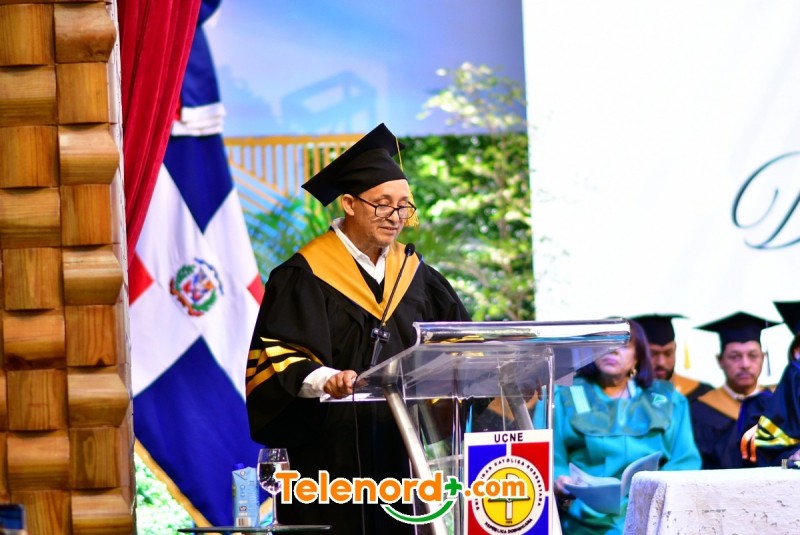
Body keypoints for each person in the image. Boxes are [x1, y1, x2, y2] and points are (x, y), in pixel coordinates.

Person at [244, 124, 470, 534]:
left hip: (403, 451)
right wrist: (327, 379)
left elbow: (456, 342)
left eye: (404, 207)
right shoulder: (304, 274)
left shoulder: (416, 274)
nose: (396, 217)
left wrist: (497, 380)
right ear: (348, 203)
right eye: (383, 205)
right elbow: (276, 355)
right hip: (327, 463)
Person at [535, 319, 701, 535]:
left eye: (623, 345)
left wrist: (656, 493)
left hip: (651, 518)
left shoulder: (666, 400)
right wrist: (560, 480)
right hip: (583, 520)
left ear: (638, 357)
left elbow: (684, 460)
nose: (612, 351)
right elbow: (547, 456)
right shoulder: (564, 397)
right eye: (603, 345)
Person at [690, 311, 776, 469]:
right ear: (720, 360)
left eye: (753, 355)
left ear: (763, 358)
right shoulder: (700, 411)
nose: (745, 364)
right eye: (735, 356)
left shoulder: (779, 405)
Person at [741, 301, 800, 466]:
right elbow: (772, 460)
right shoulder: (778, 402)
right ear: (796, 352)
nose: (745, 364)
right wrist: (791, 460)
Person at [632, 313, 713, 402]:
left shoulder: (701, 394)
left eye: (668, 353)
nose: (661, 362)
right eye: (652, 354)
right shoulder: (624, 395)